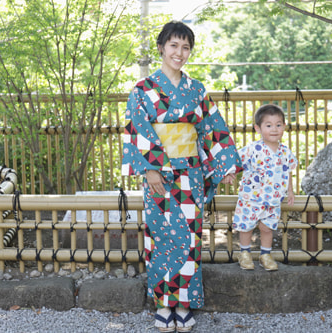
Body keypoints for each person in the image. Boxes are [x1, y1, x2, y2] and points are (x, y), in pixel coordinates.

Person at [121, 21, 241, 332]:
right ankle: (163, 304)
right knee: (161, 238)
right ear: (161, 48)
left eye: (185, 47)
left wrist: (224, 165)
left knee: (188, 239)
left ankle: (184, 303)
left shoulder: (197, 89)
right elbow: (137, 129)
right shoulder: (143, 90)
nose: (180, 52)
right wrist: (148, 168)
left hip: (190, 174)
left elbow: (212, 129)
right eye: (174, 45)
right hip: (158, 175)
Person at [232, 104, 297, 271]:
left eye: (278, 124)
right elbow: (236, 163)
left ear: (284, 126)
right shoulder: (252, 149)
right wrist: (228, 174)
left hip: (273, 198)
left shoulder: (285, 152)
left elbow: (288, 171)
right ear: (258, 128)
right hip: (251, 197)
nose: (274, 129)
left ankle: (265, 254)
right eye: (268, 125)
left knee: (267, 227)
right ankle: (244, 253)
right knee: (246, 226)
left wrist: (290, 190)